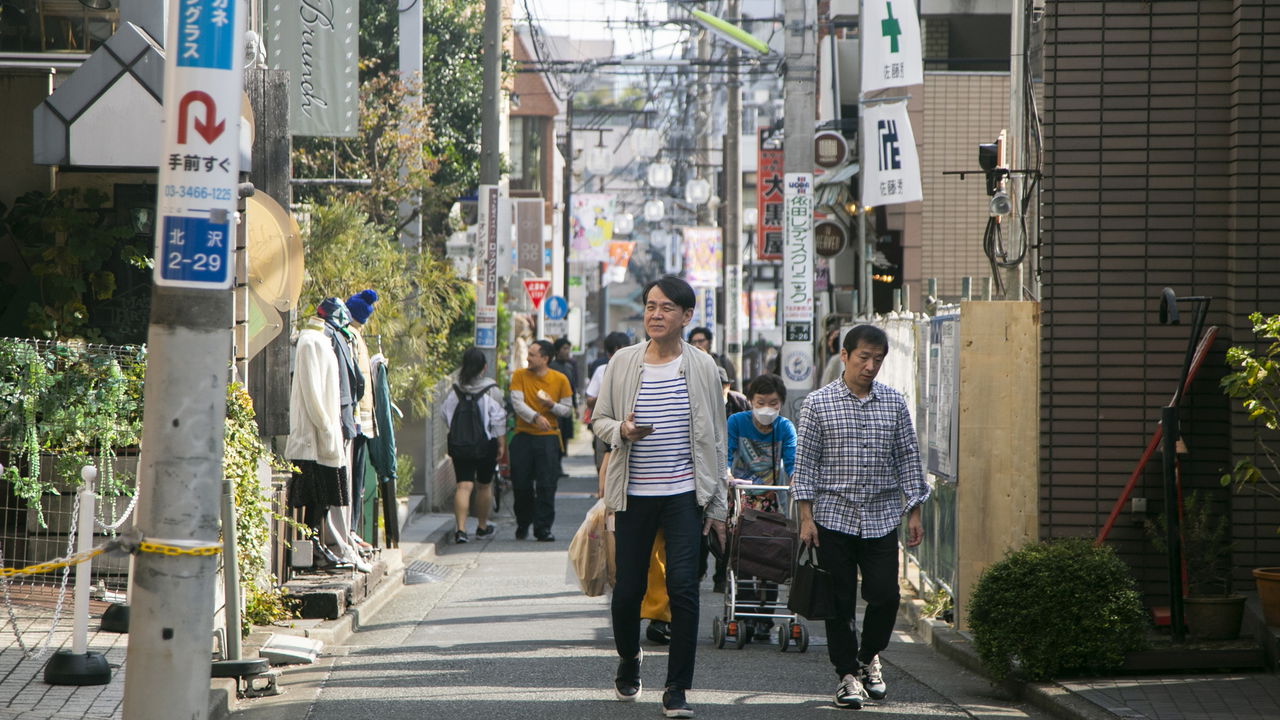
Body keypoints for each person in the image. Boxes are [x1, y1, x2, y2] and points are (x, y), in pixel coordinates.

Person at [593, 275, 728, 719]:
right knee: (628, 588)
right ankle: (630, 658)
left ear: (686, 316)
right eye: (651, 305)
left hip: (684, 494)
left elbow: (718, 440)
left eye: (667, 307)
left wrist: (718, 506)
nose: (655, 314)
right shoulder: (624, 362)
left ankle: (677, 688)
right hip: (633, 493)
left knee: (683, 588)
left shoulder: (704, 367)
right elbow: (600, 421)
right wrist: (622, 431)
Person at [792, 324, 929, 710]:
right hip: (832, 517)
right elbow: (805, 466)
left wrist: (914, 510)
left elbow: (907, 458)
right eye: (864, 358)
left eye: (878, 359)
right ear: (845, 356)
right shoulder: (818, 403)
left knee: (885, 595)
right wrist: (806, 518)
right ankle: (847, 677)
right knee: (839, 602)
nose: (870, 366)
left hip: (882, 516)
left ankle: (868, 657)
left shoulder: (894, 402)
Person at [725, 373, 797, 639]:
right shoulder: (736, 422)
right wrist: (728, 474)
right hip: (742, 498)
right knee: (743, 558)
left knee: (772, 555)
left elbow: (792, 462)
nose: (767, 409)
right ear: (751, 401)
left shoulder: (785, 428)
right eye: (761, 402)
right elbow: (726, 453)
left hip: (772, 499)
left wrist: (796, 479)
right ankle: (744, 614)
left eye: (773, 403)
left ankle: (765, 619)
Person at [508, 339, 573, 541]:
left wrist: (551, 405)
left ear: (545, 358)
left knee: (546, 485)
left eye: (533, 354)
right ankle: (523, 522)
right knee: (521, 484)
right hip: (523, 436)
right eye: (528, 353)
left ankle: (543, 528)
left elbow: (568, 410)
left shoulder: (560, 379)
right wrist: (535, 417)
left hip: (548, 438)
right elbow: (517, 404)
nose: (528, 358)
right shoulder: (519, 375)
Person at [441, 347, 506, 544]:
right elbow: (499, 420)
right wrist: (501, 445)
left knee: (463, 485)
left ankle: (460, 530)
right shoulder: (492, 390)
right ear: (484, 367)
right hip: (485, 445)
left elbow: (445, 415)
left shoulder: (454, 390)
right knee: (484, 485)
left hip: (460, 445)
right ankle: (482, 527)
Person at [586, 331, 633, 469]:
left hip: (628, 426)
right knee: (603, 466)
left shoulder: (637, 369)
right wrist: (603, 396)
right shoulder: (602, 371)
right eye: (617, 352)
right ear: (609, 354)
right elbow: (589, 400)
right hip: (605, 426)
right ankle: (602, 490)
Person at [549, 337, 579, 471]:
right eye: (564, 348)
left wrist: (576, 407)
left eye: (568, 348)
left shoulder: (569, 367)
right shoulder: (551, 367)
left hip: (567, 406)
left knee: (565, 435)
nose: (567, 352)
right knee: (556, 437)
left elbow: (572, 388)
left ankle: (559, 464)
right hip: (554, 407)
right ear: (557, 350)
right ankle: (554, 465)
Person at [687, 326, 738, 391]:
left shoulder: (722, 362)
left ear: (710, 342)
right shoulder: (687, 363)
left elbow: (733, 388)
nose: (697, 345)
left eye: (701, 341)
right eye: (693, 342)